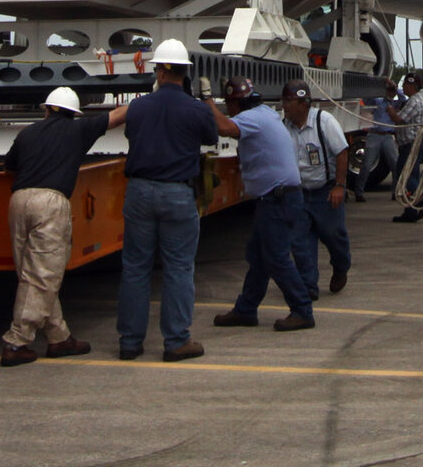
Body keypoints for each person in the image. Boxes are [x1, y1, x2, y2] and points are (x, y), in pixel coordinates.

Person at [0, 86, 126, 366]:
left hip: (18, 201)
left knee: (32, 275)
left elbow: (10, 168)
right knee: (42, 276)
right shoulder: (78, 130)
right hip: (50, 202)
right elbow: (117, 116)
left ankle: (59, 338)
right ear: (73, 113)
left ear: (46, 109)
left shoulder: (28, 133)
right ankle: (16, 342)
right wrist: (155, 97)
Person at [116, 39, 218, 362]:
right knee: (178, 268)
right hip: (177, 193)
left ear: (158, 71)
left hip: (140, 191)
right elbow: (212, 137)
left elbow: (133, 134)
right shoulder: (197, 110)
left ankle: (130, 342)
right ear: (186, 73)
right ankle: (176, 341)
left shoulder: (138, 107)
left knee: (135, 267)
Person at [211, 77, 315, 331]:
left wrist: (204, 101)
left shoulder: (251, 118)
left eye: (229, 103)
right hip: (279, 197)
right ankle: (246, 309)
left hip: (276, 198)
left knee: (276, 258)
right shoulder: (265, 114)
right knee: (258, 257)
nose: (228, 108)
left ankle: (302, 310)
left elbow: (223, 128)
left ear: (237, 102)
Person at [279, 79, 351, 297]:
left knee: (334, 236)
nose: (284, 105)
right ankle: (308, 287)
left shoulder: (324, 122)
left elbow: (342, 153)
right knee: (300, 242)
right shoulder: (285, 127)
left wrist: (339, 186)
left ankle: (341, 267)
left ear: (303, 104)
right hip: (299, 194)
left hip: (325, 193)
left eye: (289, 101)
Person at [388, 74, 423, 222]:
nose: (404, 87)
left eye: (406, 85)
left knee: (405, 176)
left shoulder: (414, 101)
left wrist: (389, 109)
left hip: (411, 144)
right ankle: (411, 209)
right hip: (412, 143)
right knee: (410, 174)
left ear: (413, 86)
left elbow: (400, 119)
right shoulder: (415, 100)